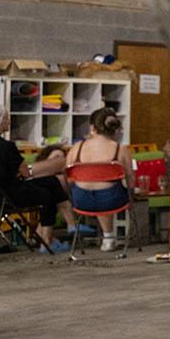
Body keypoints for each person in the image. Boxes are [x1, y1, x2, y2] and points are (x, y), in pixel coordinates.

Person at [0, 104, 76, 252]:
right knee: (49, 192)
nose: (9, 121)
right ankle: (49, 239)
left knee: (52, 182)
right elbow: (26, 174)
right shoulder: (7, 146)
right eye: (6, 118)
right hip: (12, 197)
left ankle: (56, 234)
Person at [65, 108, 134, 252]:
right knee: (110, 189)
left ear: (92, 128)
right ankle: (109, 238)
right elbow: (129, 183)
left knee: (95, 189)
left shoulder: (76, 148)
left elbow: (69, 180)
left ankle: (107, 236)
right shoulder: (120, 150)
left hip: (80, 200)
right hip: (111, 200)